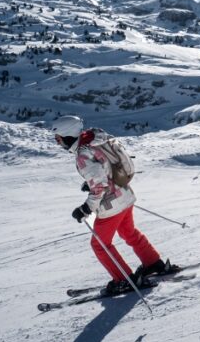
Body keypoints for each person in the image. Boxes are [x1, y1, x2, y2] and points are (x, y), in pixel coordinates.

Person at [50, 115, 177, 295]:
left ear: (67, 135)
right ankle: (153, 263)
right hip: (125, 195)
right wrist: (91, 182)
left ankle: (124, 280)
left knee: (100, 245)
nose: (58, 143)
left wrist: (85, 209)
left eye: (58, 138)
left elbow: (100, 186)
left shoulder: (82, 154)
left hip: (112, 206)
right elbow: (106, 166)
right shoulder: (96, 140)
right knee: (129, 232)